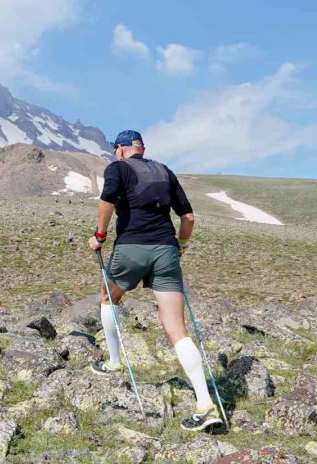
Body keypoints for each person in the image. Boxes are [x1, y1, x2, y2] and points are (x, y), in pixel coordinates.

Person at [87, 130, 222, 431]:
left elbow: (107, 200)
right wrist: (181, 247)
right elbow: (188, 218)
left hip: (131, 248)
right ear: (142, 148)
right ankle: (205, 403)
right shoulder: (165, 171)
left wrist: (99, 235)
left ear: (121, 149)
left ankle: (113, 361)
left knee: (109, 297)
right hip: (166, 250)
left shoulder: (117, 168)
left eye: (114, 150)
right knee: (176, 327)